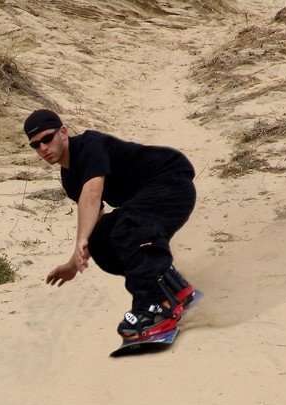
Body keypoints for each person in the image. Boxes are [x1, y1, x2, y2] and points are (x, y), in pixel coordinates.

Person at [24, 108, 198, 340]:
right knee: (102, 241)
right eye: (35, 145)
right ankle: (172, 284)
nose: (43, 148)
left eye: (47, 138)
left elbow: (92, 194)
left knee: (128, 230)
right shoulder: (69, 178)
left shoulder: (90, 145)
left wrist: (80, 239)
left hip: (171, 183)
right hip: (147, 199)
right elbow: (95, 219)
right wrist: (73, 264)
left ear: (63, 133)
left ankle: (156, 309)